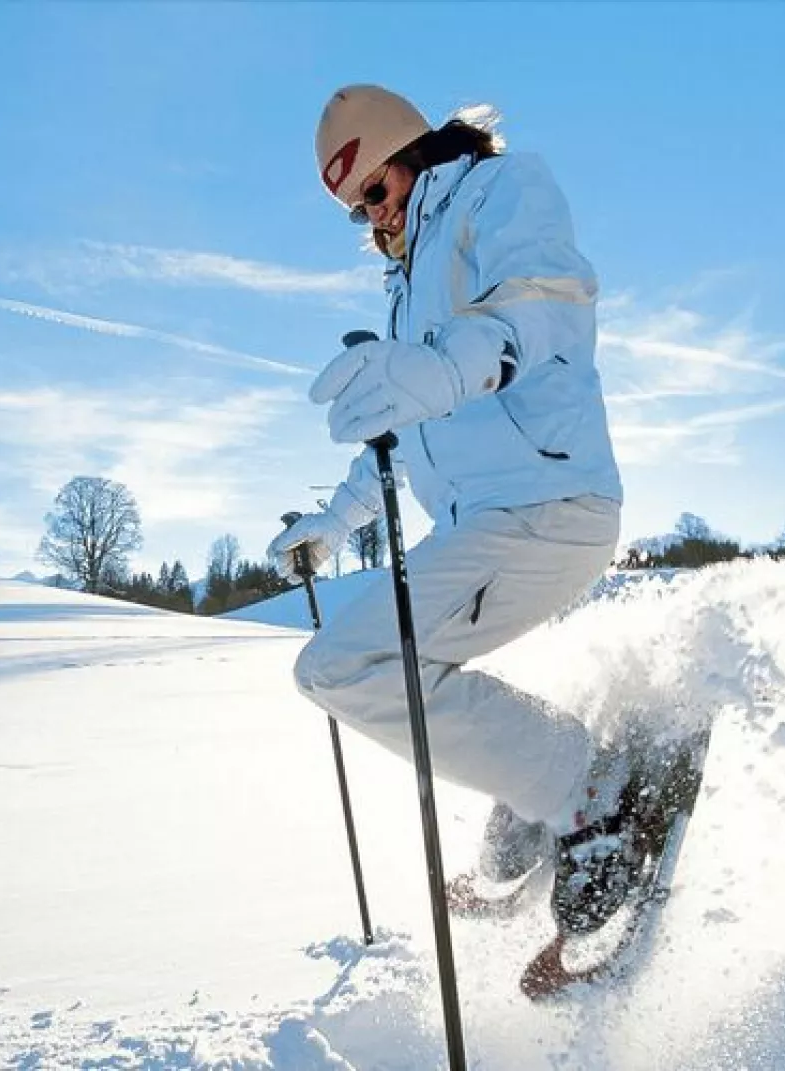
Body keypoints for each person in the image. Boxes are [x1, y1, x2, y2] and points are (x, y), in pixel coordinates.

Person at [267, 85, 633, 936]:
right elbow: (400, 430)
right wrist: (336, 521)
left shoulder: (499, 194)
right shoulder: (408, 285)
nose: (373, 222)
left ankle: (581, 788)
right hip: (487, 525)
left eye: (375, 195)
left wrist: (443, 368)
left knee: (341, 668)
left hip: (549, 504)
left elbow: (541, 306)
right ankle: (539, 774)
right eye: (357, 213)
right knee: (356, 665)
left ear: (409, 154)